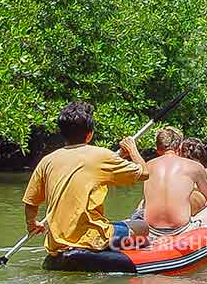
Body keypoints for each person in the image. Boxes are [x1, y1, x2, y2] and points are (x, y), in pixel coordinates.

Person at [22, 101, 149, 266]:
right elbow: (144, 173)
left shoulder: (47, 160)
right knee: (143, 227)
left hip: (57, 242)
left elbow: (30, 203)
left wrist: (32, 224)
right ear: (89, 135)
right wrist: (132, 149)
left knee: (121, 224)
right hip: (92, 238)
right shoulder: (102, 155)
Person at [142, 132, 207, 241]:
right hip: (180, 231)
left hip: (150, 231)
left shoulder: (146, 167)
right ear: (179, 147)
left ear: (157, 149)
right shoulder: (196, 167)